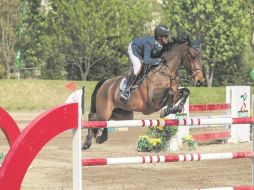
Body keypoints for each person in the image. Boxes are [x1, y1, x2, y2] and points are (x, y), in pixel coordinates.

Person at [120, 24, 171, 100]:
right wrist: (159, 60)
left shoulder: (162, 43)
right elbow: (147, 60)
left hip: (141, 52)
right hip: (134, 48)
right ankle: (126, 89)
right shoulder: (149, 43)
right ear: (160, 37)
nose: (168, 38)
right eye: (166, 36)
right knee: (138, 67)